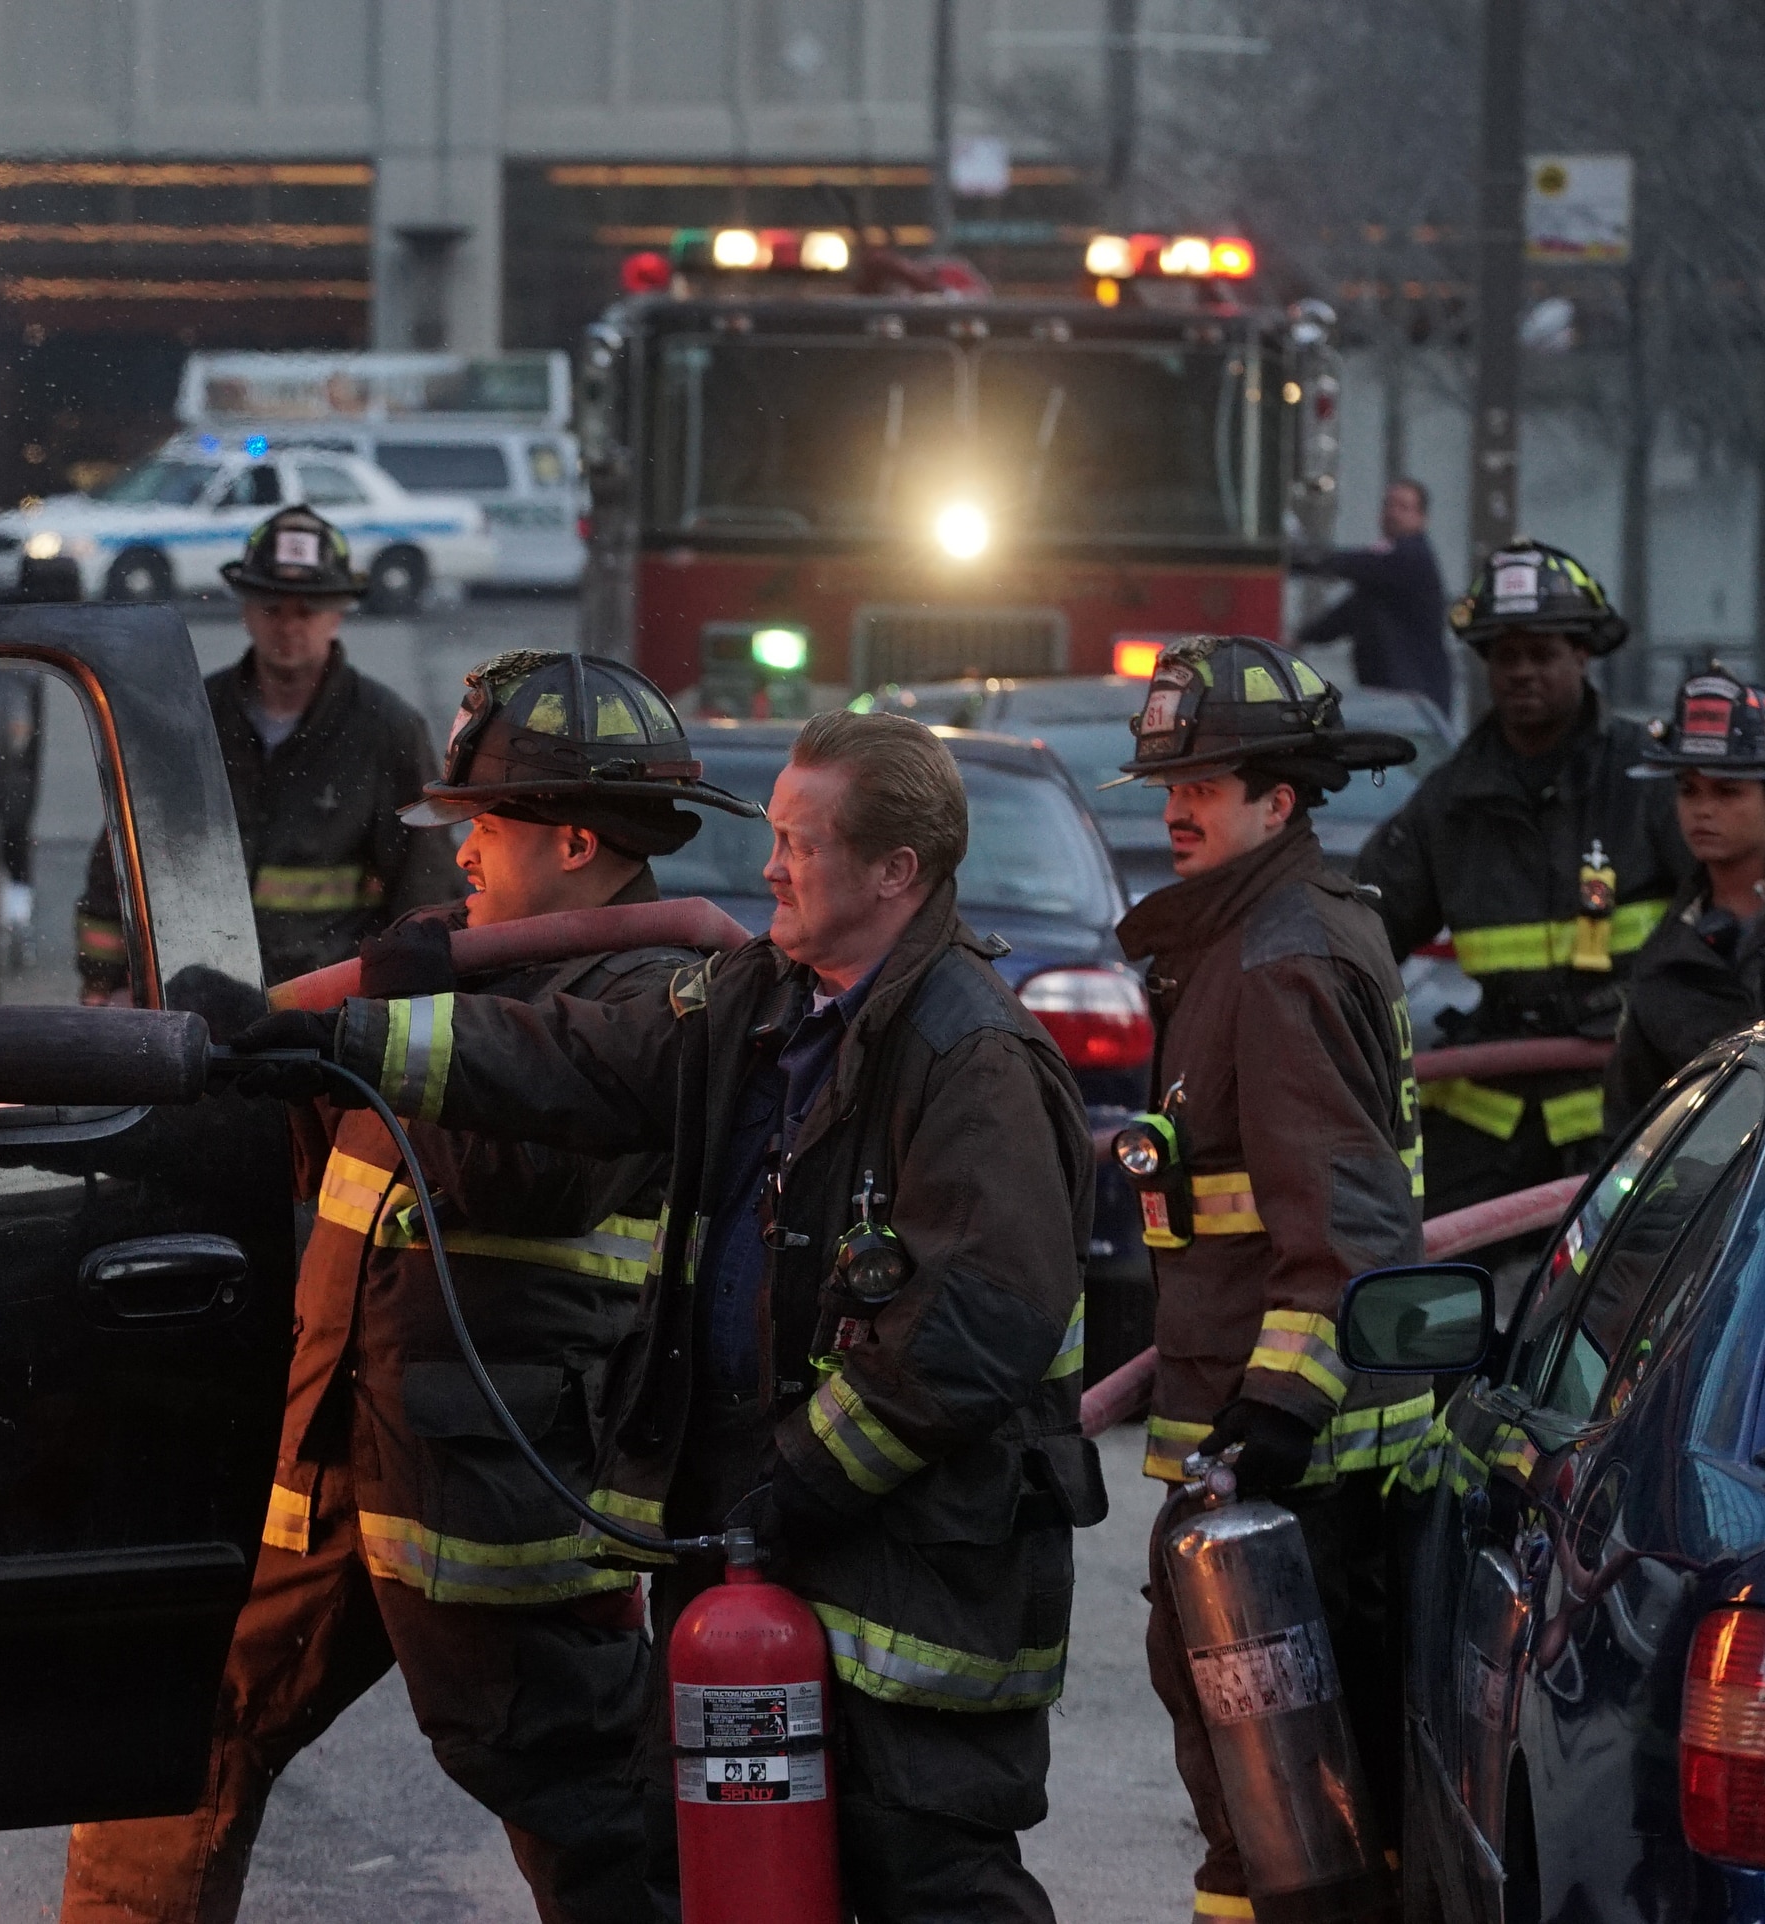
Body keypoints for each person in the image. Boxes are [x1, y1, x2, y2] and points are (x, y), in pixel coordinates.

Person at [239, 709, 1100, 1923]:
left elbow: (972, 1333)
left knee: (927, 1881)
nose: (767, 868)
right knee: (713, 1867)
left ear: (897, 871)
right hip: (764, 1551)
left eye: (800, 843)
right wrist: (344, 1038)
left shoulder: (973, 1061)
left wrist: (795, 1479)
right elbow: (577, 1055)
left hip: (912, 1583)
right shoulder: (766, 1001)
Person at [60, 654, 759, 1924]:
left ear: (579, 840)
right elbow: (352, 1183)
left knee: (591, 1814)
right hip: (338, 1456)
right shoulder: (470, 974)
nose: (465, 855)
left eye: (486, 825)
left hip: (497, 1503)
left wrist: (383, 1030)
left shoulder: (653, 999)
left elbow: (520, 1163)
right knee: (180, 1729)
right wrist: (273, 1075)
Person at [1103, 637, 1431, 1924]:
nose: (1177, 807)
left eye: (1209, 783)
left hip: (1301, 1477)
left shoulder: (1278, 959)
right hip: (1281, 1458)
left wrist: (1270, 1421)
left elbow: (1341, 1231)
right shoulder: (1251, 937)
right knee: (1280, 1807)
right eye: (1168, 784)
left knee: (1288, 1818)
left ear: (1280, 800)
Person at [1356, 540, 1688, 1213]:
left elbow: (1723, 921)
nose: (1522, 672)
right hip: (1493, 1101)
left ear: (1583, 656)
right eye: (1506, 657)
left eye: (1543, 654)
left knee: (1634, 1282)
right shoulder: (1451, 802)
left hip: (1627, 1099)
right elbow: (1365, 928)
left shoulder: (1648, 779)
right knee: (1425, 1264)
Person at [74, 505, 460, 997]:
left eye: (307, 610)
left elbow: (424, 882)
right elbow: (119, 858)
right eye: (272, 607)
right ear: (245, 608)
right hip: (192, 1004)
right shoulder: (188, 721)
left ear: (338, 614)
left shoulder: (387, 731)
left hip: (327, 1012)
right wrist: (101, 986)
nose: (288, 627)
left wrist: (402, 1000)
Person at [1604, 665, 1765, 1125]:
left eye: (1727, 791)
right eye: (1688, 790)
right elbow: (1630, 1120)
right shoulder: (1665, 959)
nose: (1703, 809)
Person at [1294, 478, 1452, 714]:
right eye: (1389, 505)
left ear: (1422, 518)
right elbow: (1346, 616)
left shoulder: (1411, 557)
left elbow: (1356, 564)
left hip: (1413, 693)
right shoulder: (1381, 578)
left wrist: (1295, 559)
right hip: (1387, 692)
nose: (1393, 513)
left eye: (1403, 507)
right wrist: (1301, 638)